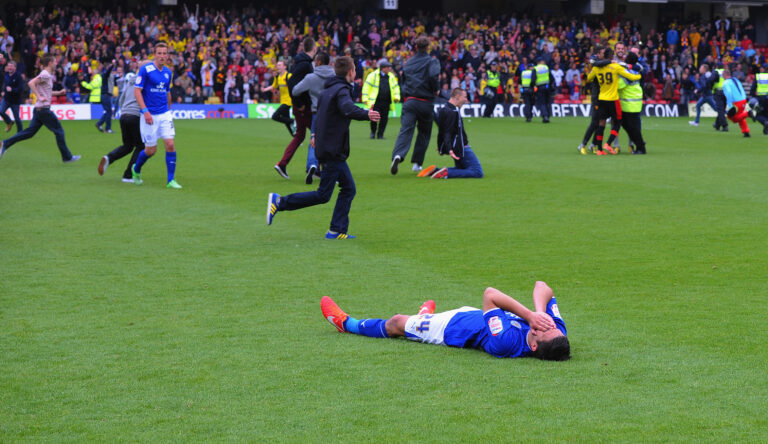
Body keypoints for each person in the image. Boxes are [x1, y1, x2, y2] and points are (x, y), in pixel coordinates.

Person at [266, 56, 380, 239]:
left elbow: (319, 115)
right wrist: (368, 114)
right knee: (323, 195)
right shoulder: (342, 90)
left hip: (329, 147)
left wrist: (314, 134)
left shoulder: (328, 90)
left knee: (349, 188)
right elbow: (347, 108)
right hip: (332, 149)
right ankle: (280, 202)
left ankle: (336, 230)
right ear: (351, 72)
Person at [320, 281, 570, 361]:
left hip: (450, 329)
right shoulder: (555, 332)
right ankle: (423, 315)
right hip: (472, 314)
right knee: (412, 320)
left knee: (396, 323)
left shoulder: (507, 343)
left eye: (542, 329)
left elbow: (490, 295)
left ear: (534, 346)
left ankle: (347, 324)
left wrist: (529, 316)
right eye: (549, 325)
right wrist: (541, 311)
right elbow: (542, 286)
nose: (544, 325)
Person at [0, 54, 80, 163]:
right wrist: (38, 95)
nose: (56, 63)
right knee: (59, 131)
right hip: (43, 110)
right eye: (55, 62)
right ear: (50, 63)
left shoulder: (46, 75)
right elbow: (30, 83)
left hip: (39, 110)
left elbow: (47, 92)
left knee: (29, 133)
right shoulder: (45, 74)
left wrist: (59, 93)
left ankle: (5, 143)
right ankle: (67, 157)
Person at [131, 42, 182, 189]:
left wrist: (169, 111)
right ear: (154, 54)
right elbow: (137, 91)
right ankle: (136, 169)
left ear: (167, 55)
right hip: (149, 115)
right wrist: (145, 111)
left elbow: (167, 92)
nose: (162, 56)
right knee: (151, 151)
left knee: (170, 144)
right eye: (159, 53)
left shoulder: (168, 72)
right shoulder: (145, 69)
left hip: (164, 113)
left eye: (164, 53)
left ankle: (171, 180)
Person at [390, 35, 440, 175]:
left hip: (410, 101)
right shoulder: (432, 61)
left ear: (416, 47)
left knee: (405, 130)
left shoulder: (409, 63)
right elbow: (433, 77)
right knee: (424, 133)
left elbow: (403, 79)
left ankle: (398, 156)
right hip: (425, 102)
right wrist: (436, 89)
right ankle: (417, 163)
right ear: (428, 47)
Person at [274, 37, 317, 180]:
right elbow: (292, 83)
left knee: (300, 135)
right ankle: (315, 166)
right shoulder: (305, 65)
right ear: (314, 48)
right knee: (318, 134)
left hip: (300, 107)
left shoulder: (300, 63)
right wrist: (300, 103)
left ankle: (283, 164)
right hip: (304, 108)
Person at [586, 47, 641, 155]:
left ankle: (600, 149)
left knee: (601, 123)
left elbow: (589, 78)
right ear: (611, 57)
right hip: (613, 99)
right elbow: (630, 76)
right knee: (618, 122)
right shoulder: (615, 67)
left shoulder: (597, 68)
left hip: (602, 98)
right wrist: (639, 76)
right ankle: (609, 143)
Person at [419, 88, 483, 179]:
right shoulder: (452, 112)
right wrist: (449, 149)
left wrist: (442, 147)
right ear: (457, 96)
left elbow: (442, 131)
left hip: (455, 147)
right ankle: (446, 173)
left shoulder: (444, 109)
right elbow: (447, 132)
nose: (466, 100)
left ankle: (436, 170)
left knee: (461, 168)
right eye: (464, 97)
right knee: (477, 172)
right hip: (461, 147)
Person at [292, 51, 335, 184]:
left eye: (315, 61)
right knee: (332, 141)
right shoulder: (335, 76)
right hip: (333, 113)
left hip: (317, 112)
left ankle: (312, 165)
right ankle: (332, 170)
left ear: (318, 62)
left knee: (314, 140)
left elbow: (295, 90)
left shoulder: (311, 77)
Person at [97, 68, 144, 182]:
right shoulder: (145, 80)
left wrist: (123, 112)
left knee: (128, 146)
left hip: (124, 115)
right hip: (135, 115)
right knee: (141, 146)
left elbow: (121, 98)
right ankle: (128, 175)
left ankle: (109, 158)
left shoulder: (131, 80)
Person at [578, 46, 609, 154]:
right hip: (597, 97)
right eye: (602, 53)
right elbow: (589, 76)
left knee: (602, 123)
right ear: (598, 54)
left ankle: (594, 144)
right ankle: (583, 144)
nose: (604, 55)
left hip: (605, 97)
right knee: (595, 122)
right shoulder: (596, 64)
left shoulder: (604, 64)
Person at [362, 58, 400, 139]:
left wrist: (397, 97)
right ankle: (373, 132)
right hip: (376, 101)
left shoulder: (391, 76)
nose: (389, 69)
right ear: (383, 68)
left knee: (384, 119)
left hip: (386, 101)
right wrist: (365, 98)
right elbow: (366, 87)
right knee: (374, 118)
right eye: (388, 67)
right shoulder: (373, 75)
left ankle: (380, 134)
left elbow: (396, 87)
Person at [617, 52, 647, 154]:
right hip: (633, 103)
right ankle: (639, 144)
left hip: (630, 104)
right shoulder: (635, 69)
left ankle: (641, 148)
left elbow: (619, 86)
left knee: (632, 127)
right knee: (627, 125)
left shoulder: (627, 73)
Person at [261, 60, 294, 137]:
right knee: (286, 120)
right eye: (277, 65)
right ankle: (296, 137)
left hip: (289, 101)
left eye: (279, 65)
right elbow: (273, 86)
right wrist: (264, 89)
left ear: (285, 67)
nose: (277, 67)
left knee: (275, 116)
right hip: (282, 101)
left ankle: (294, 121)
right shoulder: (277, 76)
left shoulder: (289, 76)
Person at [721, 69, 750, 137]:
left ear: (725, 74)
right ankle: (746, 132)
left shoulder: (726, 83)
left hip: (737, 102)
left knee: (732, 117)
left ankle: (748, 114)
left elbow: (728, 93)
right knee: (740, 116)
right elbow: (741, 88)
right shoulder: (735, 79)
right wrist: (745, 98)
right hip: (743, 100)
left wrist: (730, 104)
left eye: (722, 75)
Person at [0, 60, 23, 133]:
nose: (9, 67)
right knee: (1, 111)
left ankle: (20, 132)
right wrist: (3, 90)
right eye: (8, 66)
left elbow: (21, 88)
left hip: (15, 101)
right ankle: (9, 122)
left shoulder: (18, 76)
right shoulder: (6, 74)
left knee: (17, 118)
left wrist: (12, 89)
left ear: (15, 68)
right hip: (6, 99)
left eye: (11, 66)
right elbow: (5, 84)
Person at [531, 57, 552, 123]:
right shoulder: (546, 67)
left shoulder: (535, 69)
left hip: (540, 87)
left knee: (542, 102)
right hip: (547, 86)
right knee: (547, 101)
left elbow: (533, 80)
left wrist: (533, 87)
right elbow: (551, 77)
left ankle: (545, 116)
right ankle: (548, 115)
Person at [712, 66, 728, 131]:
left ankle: (725, 125)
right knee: (722, 110)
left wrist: (712, 91)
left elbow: (712, 81)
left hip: (718, 92)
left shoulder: (716, 72)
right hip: (725, 92)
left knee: (720, 110)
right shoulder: (725, 71)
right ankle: (717, 124)